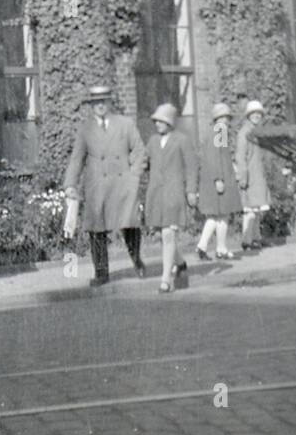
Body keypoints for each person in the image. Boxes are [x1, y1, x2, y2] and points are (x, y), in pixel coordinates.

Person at [64, 85, 146, 287]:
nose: (100, 105)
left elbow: (139, 151)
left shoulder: (125, 124)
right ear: (91, 105)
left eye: (104, 101)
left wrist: (134, 176)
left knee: (130, 224)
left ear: (110, 102)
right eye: (96, 102)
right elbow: (77, 159)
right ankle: (101, 272)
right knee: (97, 229)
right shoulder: (85, 129)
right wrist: (70, 184)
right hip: (97, 185)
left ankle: (137, 261)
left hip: (122, 183)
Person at [143, 103, 198, 293]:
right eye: (156, 120)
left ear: (170, 122)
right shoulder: (152, 141)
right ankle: (180, 263)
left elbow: (191, 167)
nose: (158, 123)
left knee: (168, 234)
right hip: (156, 195)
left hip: (174, 194)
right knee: (163, 235)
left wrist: (191, 190)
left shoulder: (182, 140)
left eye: (162, 120)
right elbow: (144, 162)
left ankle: (165, 279)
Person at [195, 102, 243, 260]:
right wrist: (219, 179)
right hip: (219, 178)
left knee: (215, 216)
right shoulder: (220, 131)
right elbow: (217, 157)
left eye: (227, 117)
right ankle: (220, 248)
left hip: (211, 178)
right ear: (217, 118)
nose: (226, 120)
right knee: (222, 215)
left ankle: (202, 246)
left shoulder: (211, 131)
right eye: (223, 117)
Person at [235, 99, 270, 251]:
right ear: (248, 116)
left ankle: (256, 238)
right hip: (249, 176)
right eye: (253, 114)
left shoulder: (256, 132)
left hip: (257, 175)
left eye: (258, 114)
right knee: (250, 210)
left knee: (256, 210)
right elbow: (240, 157)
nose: (256, 116)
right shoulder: (245, 133)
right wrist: (243, 178)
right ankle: (246, 240)